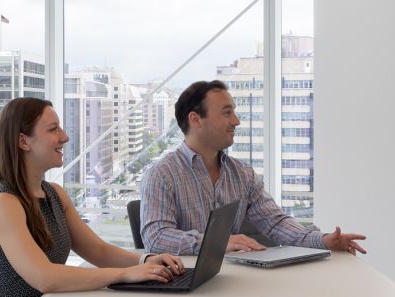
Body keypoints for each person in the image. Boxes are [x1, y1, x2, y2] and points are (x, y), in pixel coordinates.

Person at [0, 97, 187, 297]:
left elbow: (97, 251)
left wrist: (146, 259)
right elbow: (45, 278)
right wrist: (123, 275)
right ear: (23, 142)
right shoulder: (3, 204)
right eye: (53, 129)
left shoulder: (54, 194)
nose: (64, 137)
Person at [140, 80, 367, 258]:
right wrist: (218, 243)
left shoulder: (242, 174)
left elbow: (276, 223)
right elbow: (156, 237)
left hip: (230, 282)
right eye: (227, 112)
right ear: (196, 120)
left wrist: (324, 240)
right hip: (181, 288)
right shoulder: (162, 174)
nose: (236, 121)